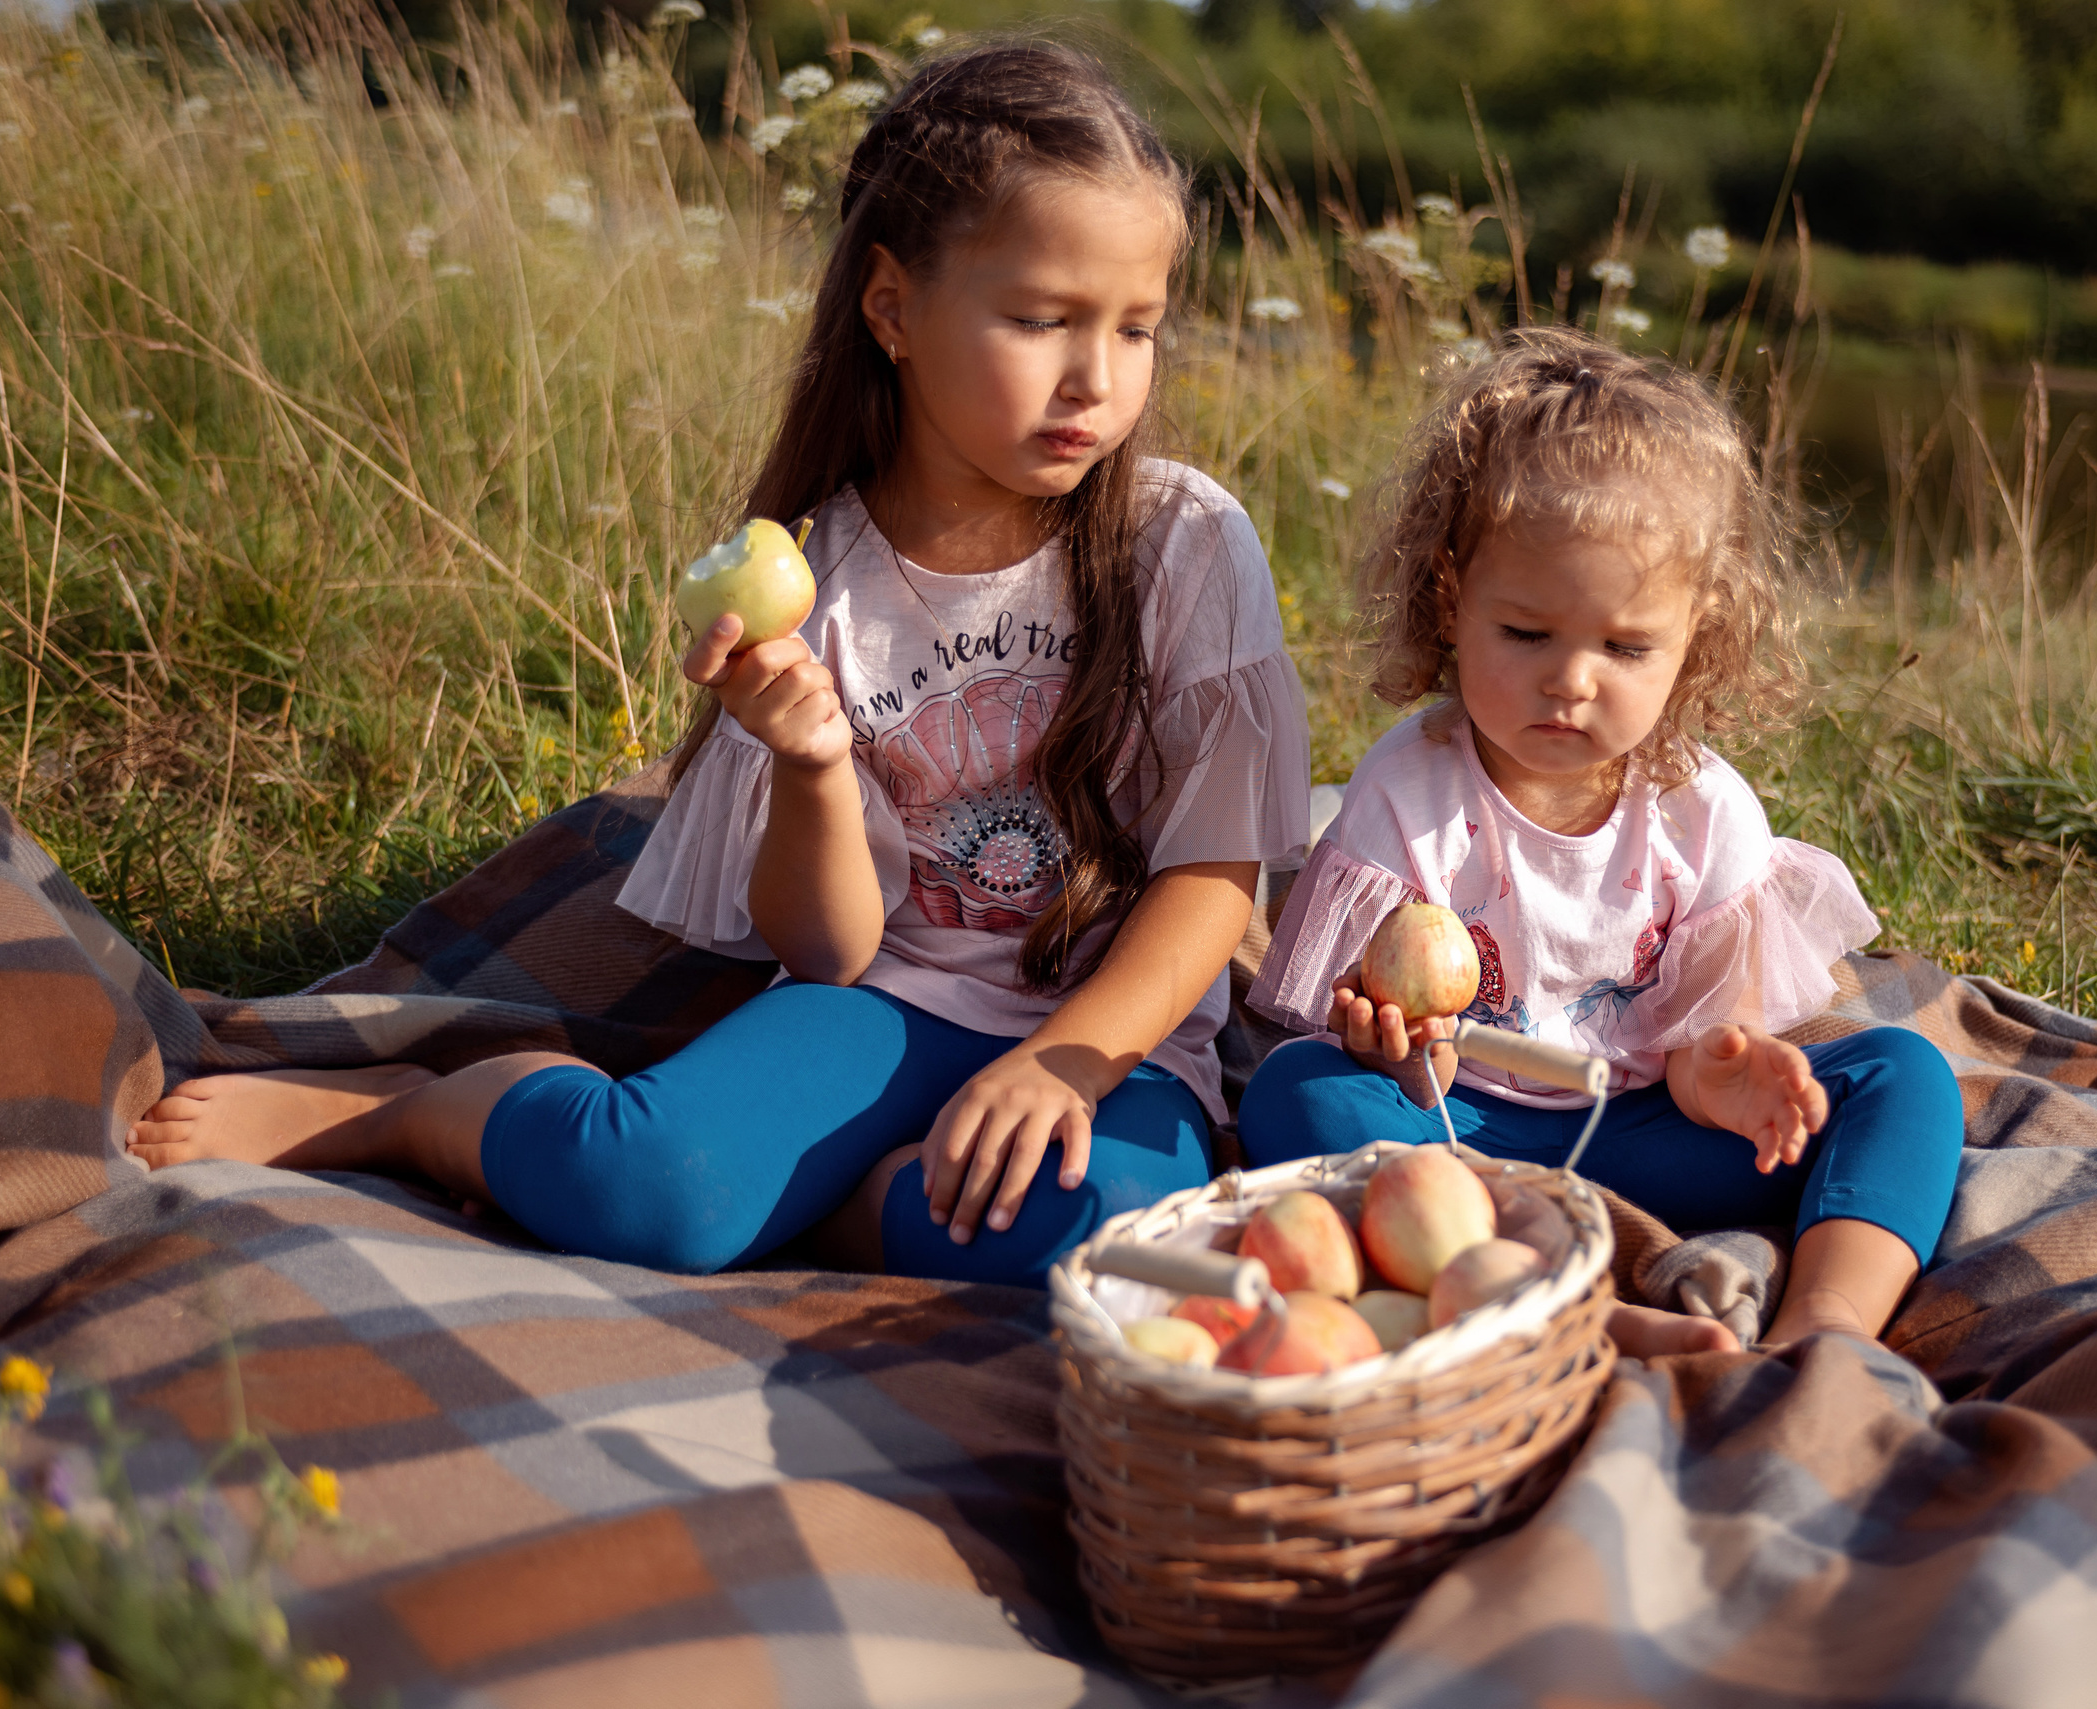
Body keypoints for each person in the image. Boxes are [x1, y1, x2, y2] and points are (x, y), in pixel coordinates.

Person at [129, 42, 1312, 1288]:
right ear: (893, 307)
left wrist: (1064, 1058)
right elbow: (829, 954)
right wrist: (805, 764)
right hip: (892, 1002)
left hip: (1115, 1041)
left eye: (1136, 329)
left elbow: (1214, 874)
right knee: (649, 1190)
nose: (1097, 380)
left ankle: (844, 1204)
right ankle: (421, 1112)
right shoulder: (817, 577)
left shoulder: (1178, 540)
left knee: (1089, 1238)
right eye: (1039, 319)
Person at [1240, 329, 1961, 1355]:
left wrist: (1733, 1071)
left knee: (1902, 1075)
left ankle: (1823, 1324)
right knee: (1296, 1090)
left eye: (1625, 646)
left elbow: (1704, 1052)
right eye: (1526, 634)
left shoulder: (1703, 811)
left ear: (1695, 635)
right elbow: (1407, 1061)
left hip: (1642, 1130)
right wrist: (1392, 1051)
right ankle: (1541, 1304)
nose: (1571, 679)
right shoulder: (1408, 791)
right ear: (1452, 601)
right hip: (1464, 1139)